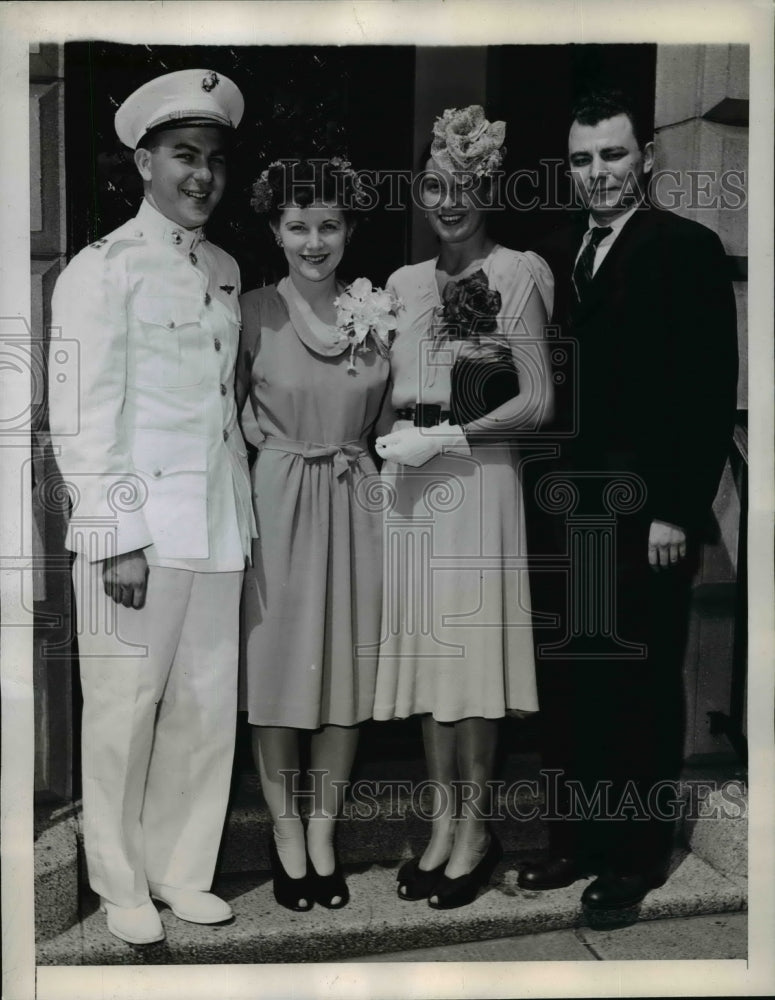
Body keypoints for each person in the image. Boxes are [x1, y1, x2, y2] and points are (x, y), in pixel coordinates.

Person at [48, 70, 255, 945]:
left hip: (215, 523)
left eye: (211, 158)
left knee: (206, 710)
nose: (201, 174)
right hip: (136, 534)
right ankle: (120, 881)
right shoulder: (103, 271)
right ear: (143, 161)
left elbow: (219, 407)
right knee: (124, 710)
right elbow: (82, 415)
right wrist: (117, 536)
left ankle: (181, 870)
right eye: (183, 156)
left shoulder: (224, 268)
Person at [519, 87, 738, 910]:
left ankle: (633, 860)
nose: (597, 172)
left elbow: (708, 390)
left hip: (647, 517)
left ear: (645, 154)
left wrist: (676, 509)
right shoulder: (547, 253)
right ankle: (572, 842)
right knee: (572, 683)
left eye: (611, 154)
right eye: (581, 159)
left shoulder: (686, 247)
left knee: (638, 688)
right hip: (563, 514)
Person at [373, 106, 555, 909]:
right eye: (433, 186)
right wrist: (386, 447)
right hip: (412, 489)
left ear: (488, 186)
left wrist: (444, 435)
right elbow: (388, 391)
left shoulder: (517, 272)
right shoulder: (404, 284)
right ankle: (442, 824)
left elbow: (538, 400)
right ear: (418, 190)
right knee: (429, 660)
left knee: (472, 662)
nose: (449, 200)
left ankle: (476, 829)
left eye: (465, 186)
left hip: (477, 479)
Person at [237, 158, 392, 911]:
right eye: (297, 225)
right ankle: (286, 829)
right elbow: (222, 421)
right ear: (274, 229)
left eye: (328, 225)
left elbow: (393, 425)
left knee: (343, 669)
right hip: (278, 501)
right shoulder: (251, 312)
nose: (313, 241)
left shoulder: (379, 313)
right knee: (276, 668)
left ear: (349, 230)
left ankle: (324, 830)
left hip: (358, 501)